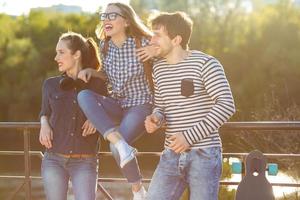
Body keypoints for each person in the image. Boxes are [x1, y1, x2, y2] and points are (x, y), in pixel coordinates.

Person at [144, 12, 236, 200]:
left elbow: (226, 104)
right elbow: (161, 106)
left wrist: (188, 137)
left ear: (176, 39)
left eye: (157, 35)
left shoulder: (206, 63)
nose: (151, 40)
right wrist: (156, 118)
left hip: (205, 155)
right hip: (171, 155)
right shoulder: (158, 69)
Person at [77, 2, 155, 200]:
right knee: (83, 95)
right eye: (104, 16)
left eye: (112, 16)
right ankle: (122, 146)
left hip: (140, 104)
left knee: (115, 146)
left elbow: (168, 57)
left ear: (127, 21)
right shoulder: (105, 46)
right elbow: (109, 75)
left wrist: (157, 51)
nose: (106, 20)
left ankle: (138, 190)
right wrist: (93, 72)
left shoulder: (143, 42)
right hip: (117, 103)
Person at [39, 31, 107, 200]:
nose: (56, 58)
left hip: (85, 161)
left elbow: (113, 110)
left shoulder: (98, 85)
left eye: (61, 52)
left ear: (76, 54)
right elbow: (44, 111)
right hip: (53, 159)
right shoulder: (50, 84)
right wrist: (43, 123)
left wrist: (96, 118)